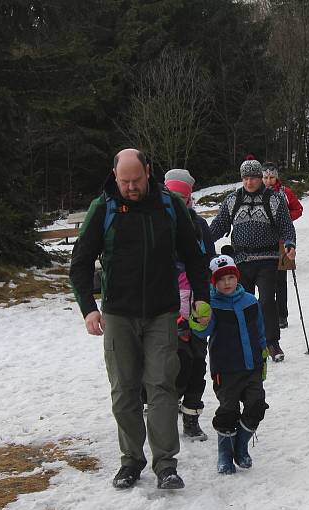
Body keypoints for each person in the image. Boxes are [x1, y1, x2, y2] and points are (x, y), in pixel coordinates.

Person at [69, 148, 210, 490]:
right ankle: (131, 461)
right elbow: (81, 262)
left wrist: (201, 299)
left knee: (162, 385)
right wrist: (88, 307)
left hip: (163, 312)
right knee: (124, 389)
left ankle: (166, 464)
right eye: (124, 181)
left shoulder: (169, 205)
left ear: (148, 171)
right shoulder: (104, 207)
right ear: (115, 176)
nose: (131, 187)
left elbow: (194, 256)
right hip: (118, 314)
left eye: (136, 180)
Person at [209, 159, 297, 362]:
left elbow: (286, 225)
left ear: (260, 178)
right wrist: (203, 241)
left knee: (266, 301)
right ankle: (247, 342)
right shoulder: (232, 200)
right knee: (243, 302)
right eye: (246, 178)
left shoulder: (273, 199)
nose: (249, 182)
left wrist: (290, 243)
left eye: (254, 178)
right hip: (240, 260)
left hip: (267, 258)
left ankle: (272, 342)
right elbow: (219, 224)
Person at [190, 255, 269, 475]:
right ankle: (225, 453)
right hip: (226, 369)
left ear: (237, 278)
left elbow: (260, 330)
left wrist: (263, 355)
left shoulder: (250, 301)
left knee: (256, 404)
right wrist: (198, 319)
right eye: (221, 279)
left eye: (230, 278)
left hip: (252, 365)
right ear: (214, 282)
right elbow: (202, 332)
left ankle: (241, 447)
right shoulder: (211, 305)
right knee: (229, 410)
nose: (227, 283)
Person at [164, 169, 216, 442]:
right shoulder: (156, 223)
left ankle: (192, 417)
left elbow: (208, 260)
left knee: (197, 361)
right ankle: (165, 409)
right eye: (172, 197)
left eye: (182, 198)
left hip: (196, 303)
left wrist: (206, 299)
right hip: (165, 308)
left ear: (189, 199)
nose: (177, 203)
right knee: (171, 363)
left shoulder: (199, 226)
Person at [262, 162, 303, 329]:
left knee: (281, 281)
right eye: (265, 177)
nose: (268, 181)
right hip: (264, 243)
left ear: (276, 177)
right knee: (265, 282)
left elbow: (298, 209)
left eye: (271, 177)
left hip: (284, 242)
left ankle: (282, 315)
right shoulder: (258, 194)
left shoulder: (285, 192)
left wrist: (285, 219)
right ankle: (267, 315)